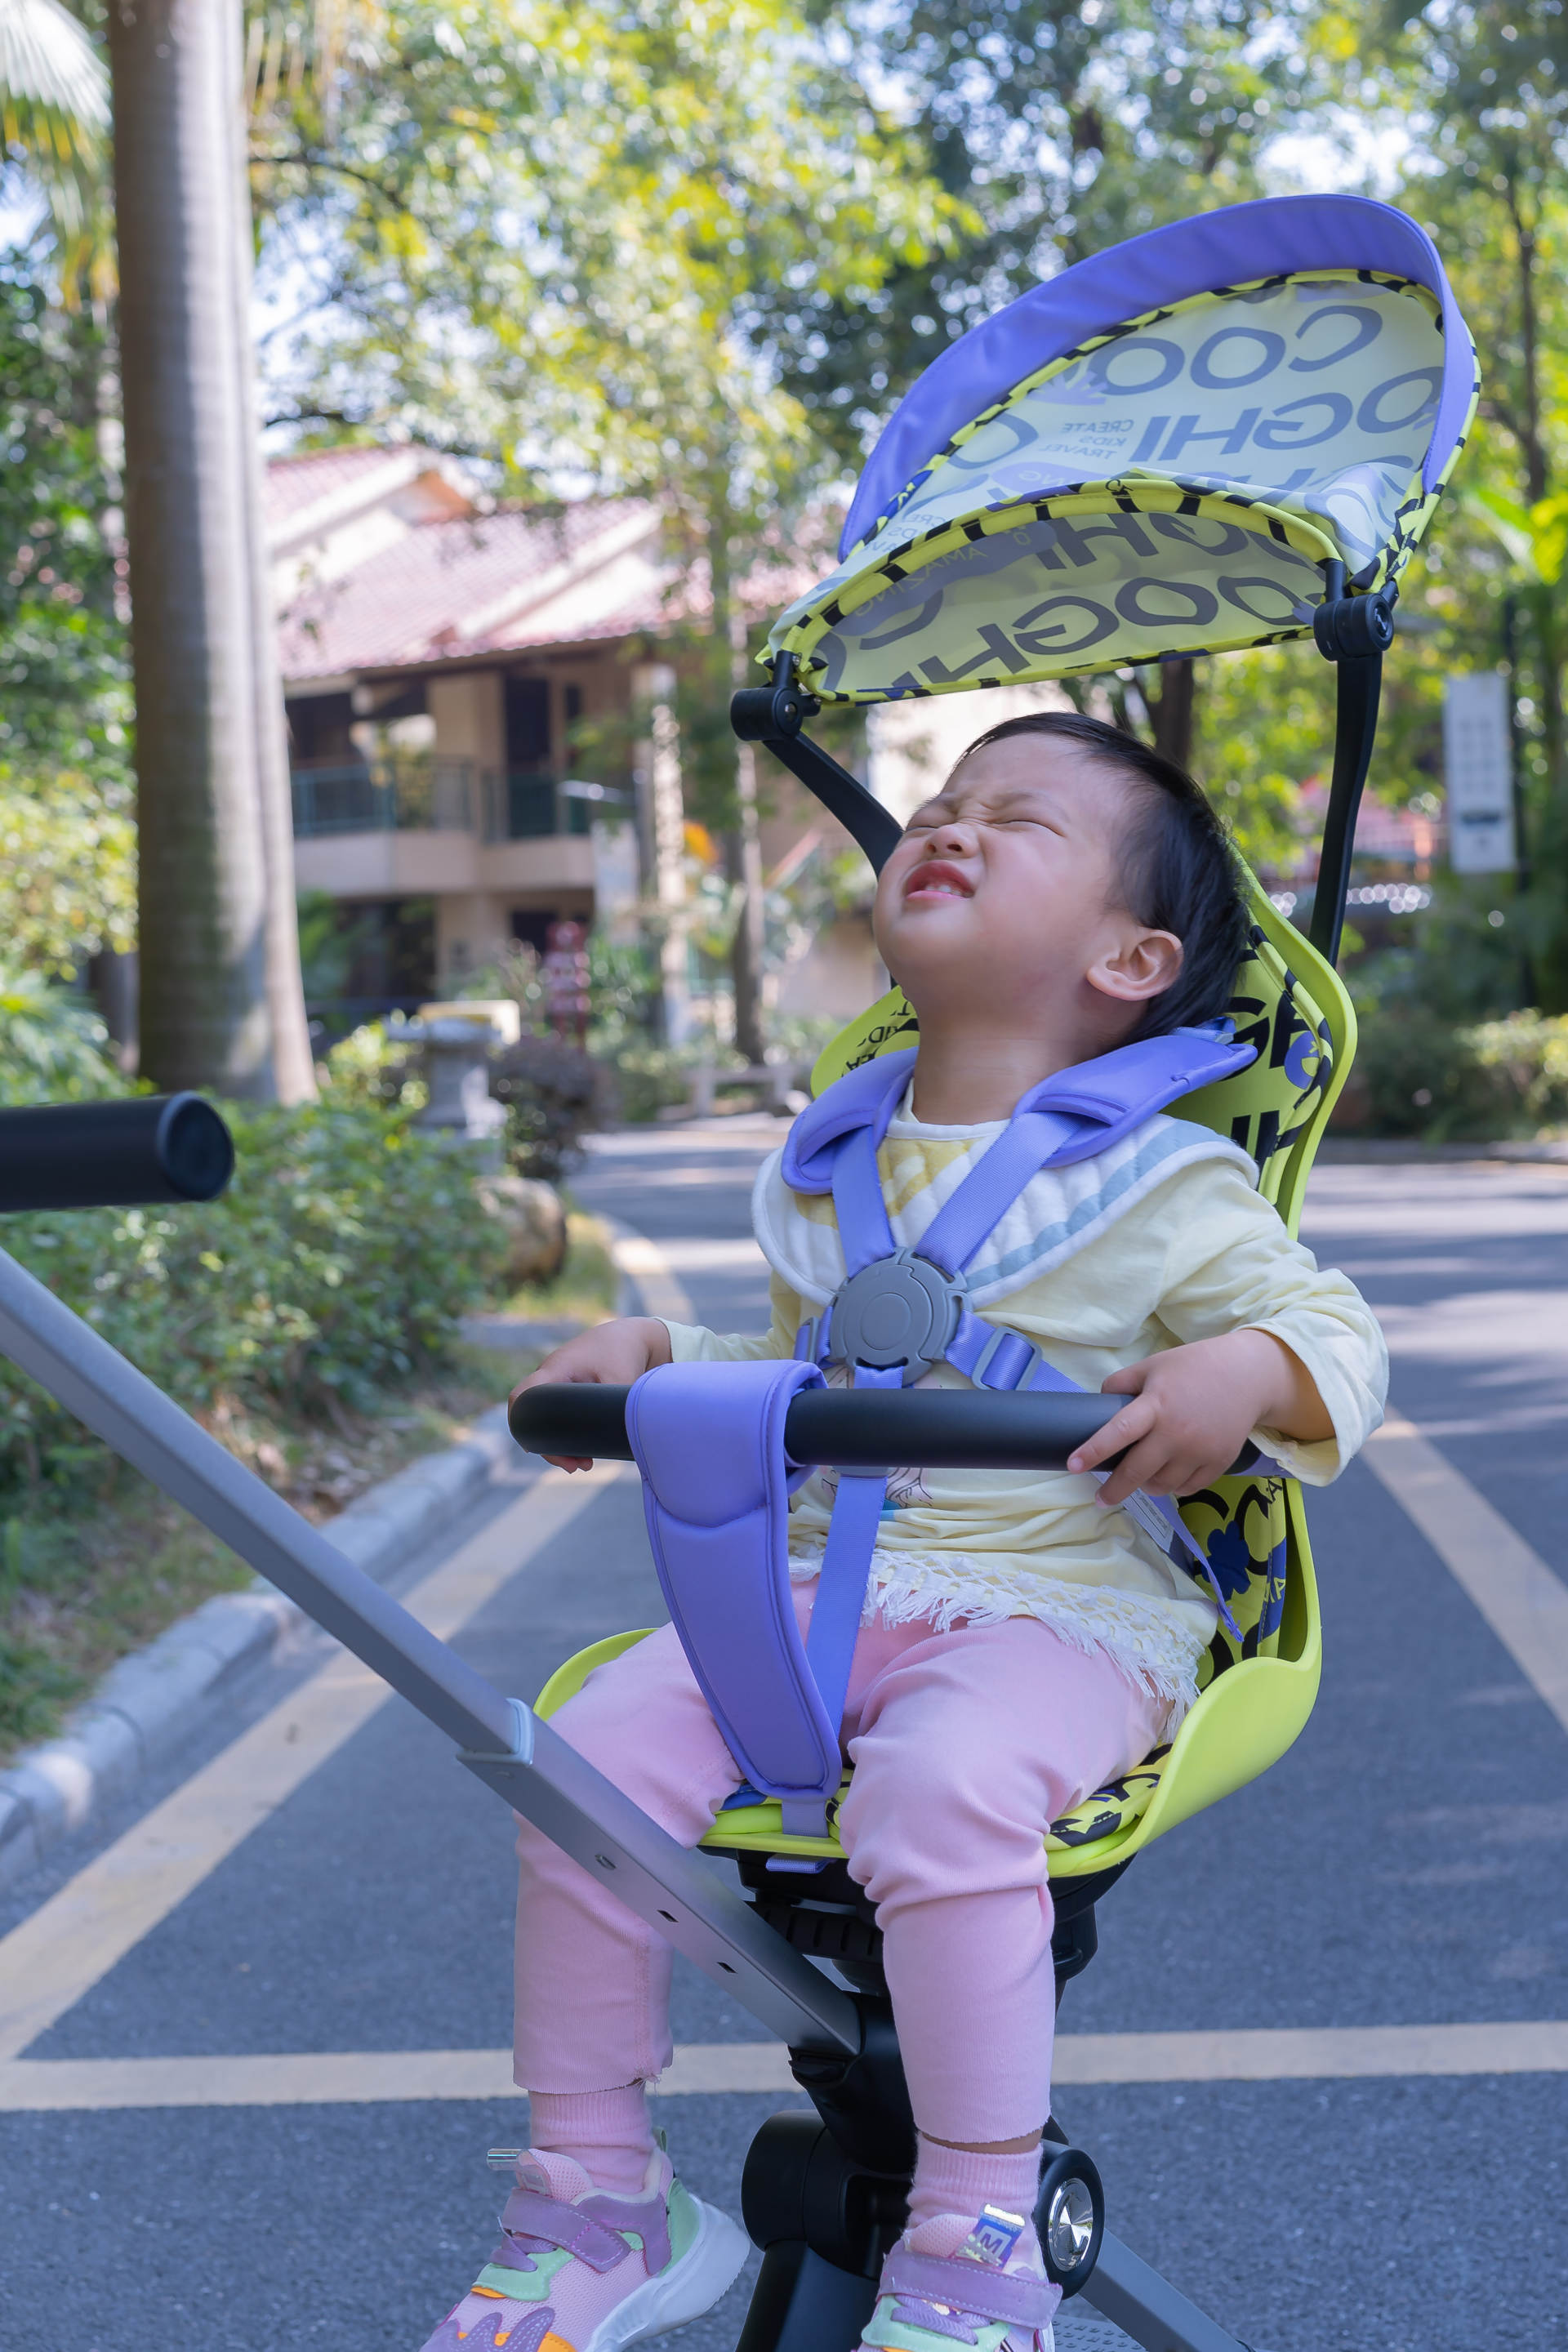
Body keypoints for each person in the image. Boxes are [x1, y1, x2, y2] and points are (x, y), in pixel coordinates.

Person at [421, 711, 1388, 2352]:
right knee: (573, 1757)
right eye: (942, 801)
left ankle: (976, 2240)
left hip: (1060, 1607)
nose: (950, 822)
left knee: (945, 1792)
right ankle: (598, 2193)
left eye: (1019, 820)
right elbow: (821, 1370)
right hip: (819, 1601)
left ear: (1132, 957)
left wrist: (1249, 1367)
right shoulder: (837, 1161)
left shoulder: (1163, 1182)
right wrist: (664, 1356)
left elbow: (1338, 1336)